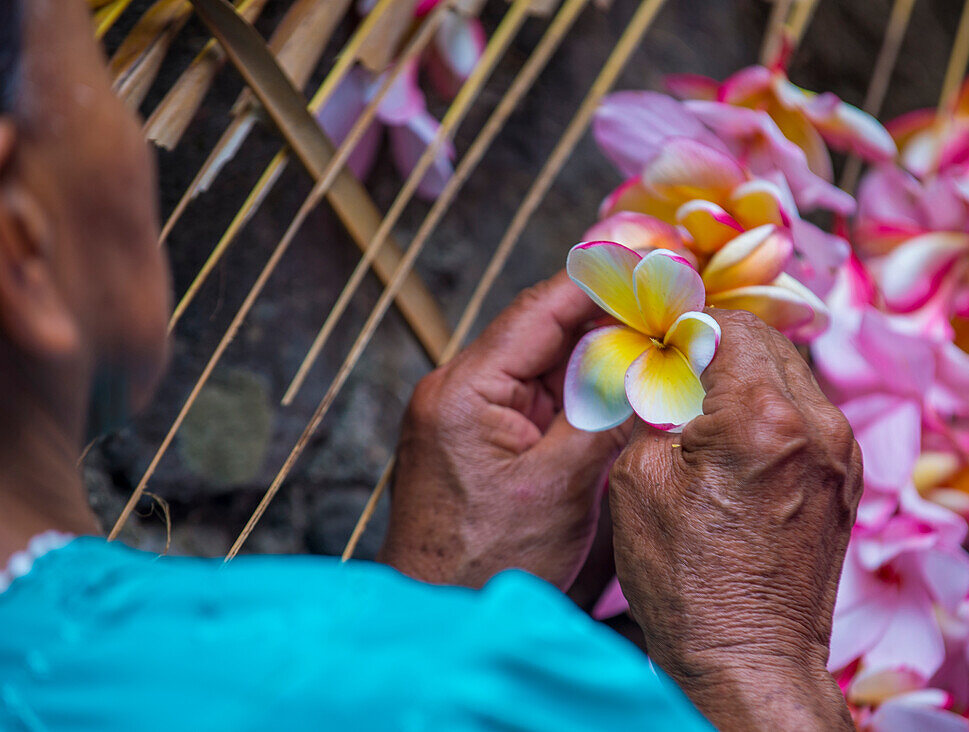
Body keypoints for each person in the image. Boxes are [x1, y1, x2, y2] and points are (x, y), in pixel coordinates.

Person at [0, 1, 863, 730]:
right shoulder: (445, 689)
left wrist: (434, 601)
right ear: (18, 244)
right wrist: (754, 661)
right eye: (104, 88)